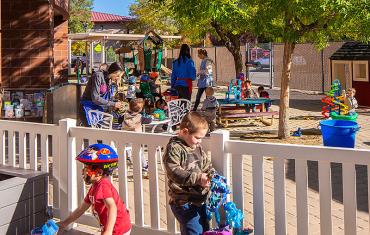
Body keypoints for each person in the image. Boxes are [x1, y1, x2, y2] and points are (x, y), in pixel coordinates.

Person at [58, 143, 131, 235]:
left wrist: (108, 232)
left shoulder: (103, 185)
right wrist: (64, 223)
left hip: (118, 229)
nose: (83, 172)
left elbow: (112, 207)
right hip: (110, 228)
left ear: (99, 172)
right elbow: (81, 208)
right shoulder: (95, 186)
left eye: (86, 169)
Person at [163, 112, 215, 235]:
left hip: (200, 199)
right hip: (184, 202)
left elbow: (207, 165)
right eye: (197, 137)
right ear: (185, 131)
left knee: (205, 230)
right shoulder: (174, 148)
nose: (199, 141)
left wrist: (212, 176)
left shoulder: (197, 147)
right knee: (193, 231)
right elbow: (174, 172)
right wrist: (197, 178)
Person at [80, 62, 124, 126]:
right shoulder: (98, 76)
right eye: (117, 76)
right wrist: (114, 104)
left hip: (97, 109)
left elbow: (108, 98)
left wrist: (117, 103)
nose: (118, 78)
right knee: (90, 134)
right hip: (88, 108)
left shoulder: (109, 80)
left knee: (99, 134)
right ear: (113, 72)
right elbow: (95, 98)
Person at [122, 98, 152, 171]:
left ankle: (129, 156)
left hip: (126, 136)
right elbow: (149, 121)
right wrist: (151, 117)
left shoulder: (124, 115)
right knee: (140, 151)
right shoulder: (140, 117)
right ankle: (144, 166)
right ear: (140, 109)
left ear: (129, 107)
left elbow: (119, 120)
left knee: (128, 146)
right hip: (136, 138)